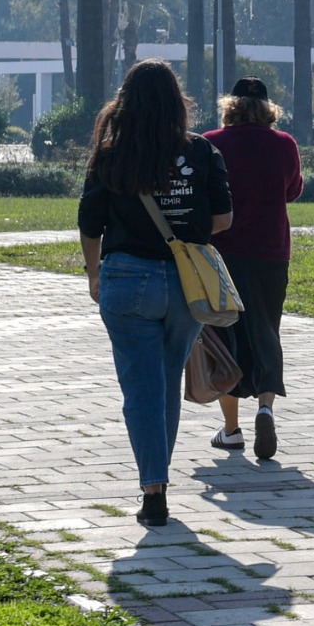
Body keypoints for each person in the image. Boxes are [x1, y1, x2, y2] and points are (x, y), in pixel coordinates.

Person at [77, 60, 234, 529]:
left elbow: (90, 222)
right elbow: (224, 218)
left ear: (125, 102)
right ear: (176, 102)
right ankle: (157, 480)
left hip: (127, 279)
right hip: (188, 285)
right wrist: (185, 232)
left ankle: (154, 490)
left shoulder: (110, 155)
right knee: (165, 382)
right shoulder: (202, 151)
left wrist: (93, 273)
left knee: (141, 388)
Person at [204, 77, 303, 459]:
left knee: (224, 337)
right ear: (267, 108)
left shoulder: (211, 143)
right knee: (266, 331)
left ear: (230, 106)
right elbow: (292, 190)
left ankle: (231, 429)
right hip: (270, 254)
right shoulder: (284, 144)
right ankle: (265, 408)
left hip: (222, 253)